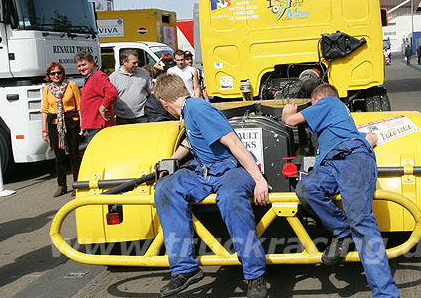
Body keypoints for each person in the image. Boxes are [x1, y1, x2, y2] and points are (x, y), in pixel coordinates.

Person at [153, 75, 269, 298]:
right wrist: (171, 162)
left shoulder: (197, 108)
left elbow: (233, 142)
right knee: (166, 189)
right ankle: (185, 270)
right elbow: (191, 140)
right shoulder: (189, 110)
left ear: (163, 102)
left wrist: (259, 179)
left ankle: (254, 275)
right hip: (205, 171)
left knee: (230, 198)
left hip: (231, 171)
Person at [282, 84, 399, 298]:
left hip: (351, 159)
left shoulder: (329, 101)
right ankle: (342, 230)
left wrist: (288, 111)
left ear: (316, 101)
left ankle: (385, 293)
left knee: (361, 221)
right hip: (332, 162)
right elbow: (368, 138)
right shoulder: (339, 122)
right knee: (307, 188)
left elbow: (290, 121)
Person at [41, 62, 82, 197]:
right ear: (49, 76)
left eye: (59, 72)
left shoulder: (71, 86)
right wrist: (44, 130)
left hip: (71, 122)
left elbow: (79, 106)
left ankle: (77, 184)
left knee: (74, 155)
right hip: (55, 124)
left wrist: (82, 124)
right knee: (59, 157)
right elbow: (45, 110)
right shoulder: (47, 89)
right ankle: (61, 185)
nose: (56, 75)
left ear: (63, 73)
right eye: (53, 73)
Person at [74, 51, 117, 143]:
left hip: (99, 126)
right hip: (93, 126)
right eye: (79, 66)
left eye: (84, 65)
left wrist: (103, 107)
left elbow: (112, 92)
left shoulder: (98, 76)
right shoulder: (90, 78)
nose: (81, 68)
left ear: (92, 63)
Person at [110, 49, 153, 125]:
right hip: (122, 118)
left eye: (137, 62)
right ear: (124, 62)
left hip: (142, 117)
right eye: (134, 63)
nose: (136, 65)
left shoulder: (143, 73)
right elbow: (110, 99)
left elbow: (151, 92)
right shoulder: (114, 77)